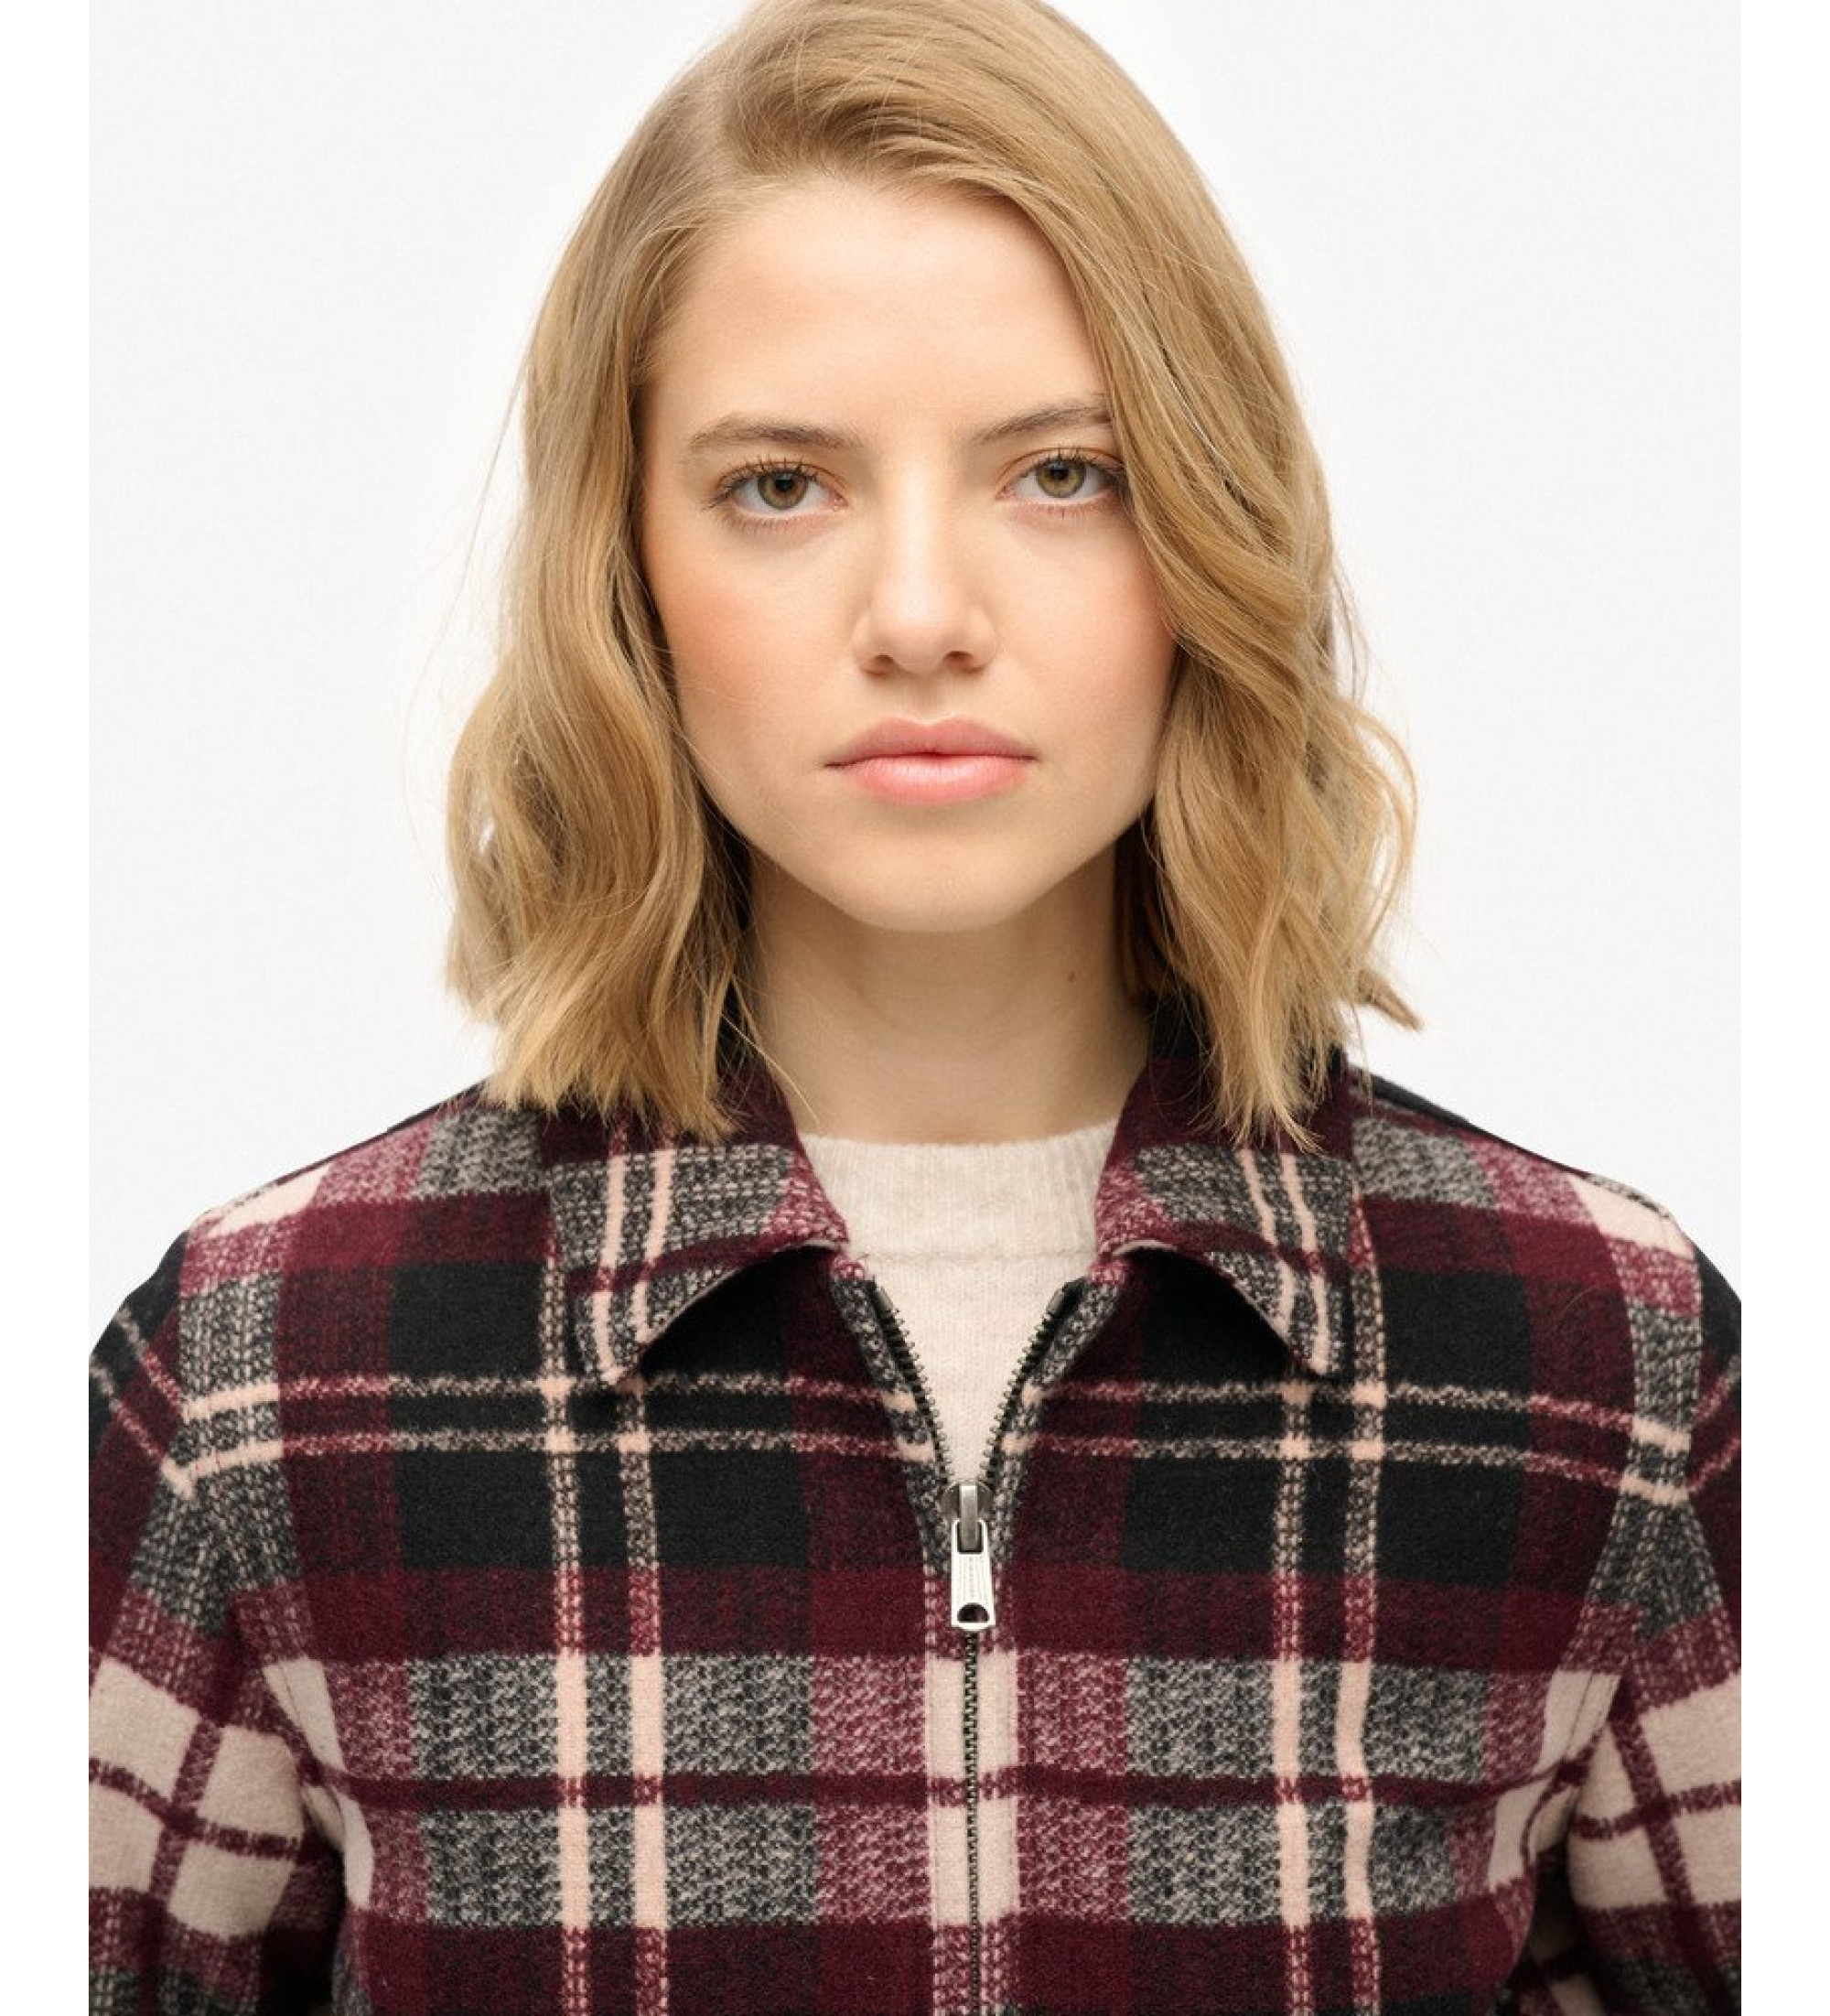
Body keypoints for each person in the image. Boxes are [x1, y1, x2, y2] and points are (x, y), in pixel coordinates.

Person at [89, 0, 1739, 2010]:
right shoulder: (262, 1381)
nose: (923, 616)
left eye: (1063, 472)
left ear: (1208, 528)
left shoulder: (1607, 1372)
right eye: (781, 486)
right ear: (624, 567)